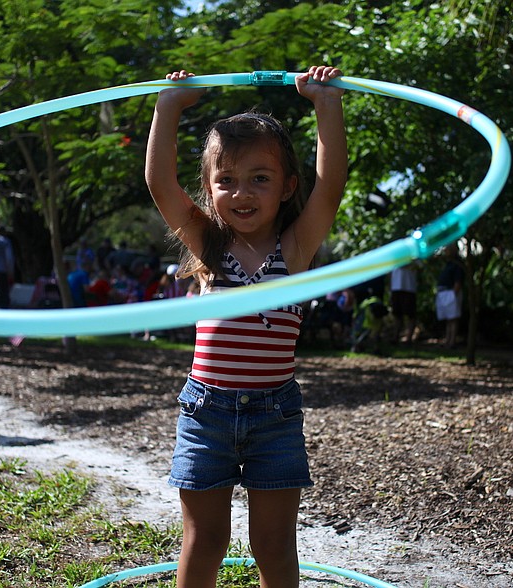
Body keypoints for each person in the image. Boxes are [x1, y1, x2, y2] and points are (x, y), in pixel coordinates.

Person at [145, 65, 346, 587]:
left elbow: (331, 187)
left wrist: (326, 105)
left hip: (274, 416)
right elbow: (159, 183)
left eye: (260, 177)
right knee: (204, 540)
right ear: (210, 190)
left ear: (286, 186)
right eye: (226, 180)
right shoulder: (208, 246)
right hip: (206, 413)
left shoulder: (295, 249)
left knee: (274, 545)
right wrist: (168, 107)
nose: (242, 193)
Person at [436, 243, 464, 348]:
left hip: (451, 293)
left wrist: (453, 295)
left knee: (453, 319)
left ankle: (452, 342)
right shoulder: (448, 263)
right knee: (448, 319)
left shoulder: (457, 264)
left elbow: (458, 281)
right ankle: (447, 340)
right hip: (443, 292)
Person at [390, 262, 418, 343]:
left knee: (410, 314)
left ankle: (409, 338)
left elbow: (417, 266)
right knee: (397, 314)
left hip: (409, 287)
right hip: (395, 287)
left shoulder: (414, 254)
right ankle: (395, 337)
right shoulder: (393, 254)